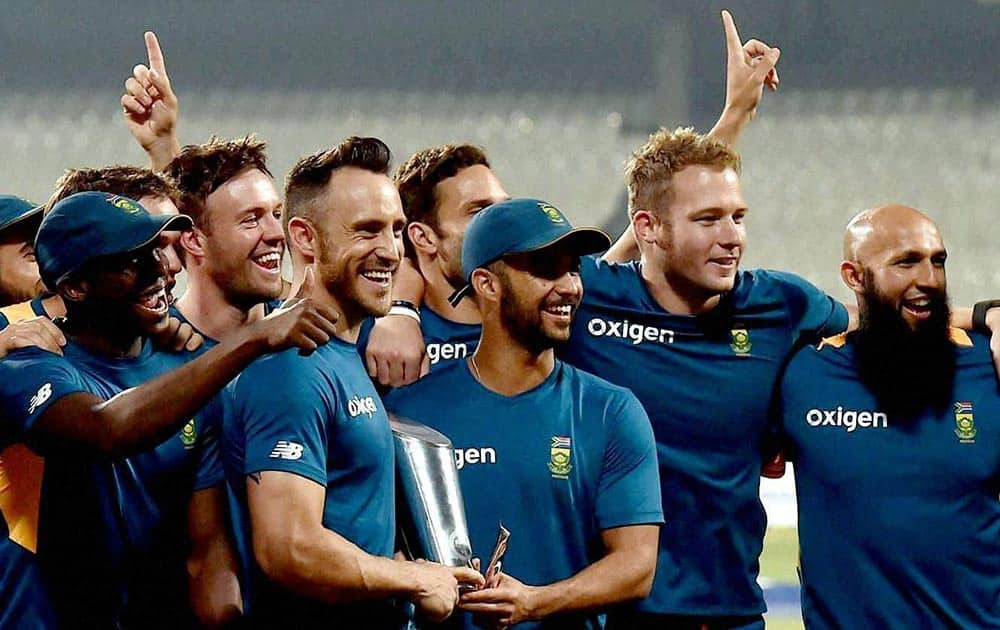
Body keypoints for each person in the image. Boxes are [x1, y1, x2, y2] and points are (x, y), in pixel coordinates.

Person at [360, 9, 779, 390]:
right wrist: (398, 311)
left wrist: (736, 115)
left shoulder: (554, 311)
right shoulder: (377, 336)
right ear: (422, 237)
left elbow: (658, 221)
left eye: (501, 204)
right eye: (478, 211)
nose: (501, 220)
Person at [0, 191, 340, 628]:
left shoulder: (188, 373)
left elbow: (206, 555)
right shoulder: (29, 361)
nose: (159, 271)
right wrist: (254, 338)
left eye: (156, 251)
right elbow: (107, 429)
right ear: (75, 287)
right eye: (129, 261)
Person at [219, 136, 483, 629]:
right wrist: (414, 580)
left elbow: (348, 528)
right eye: (366, 231)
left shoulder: (341, 353)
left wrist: (407, 569)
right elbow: (288, 547)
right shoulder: (291, 368)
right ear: (304, 238)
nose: (389, 251)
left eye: (396, 230)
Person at [385, 198, 663, 629]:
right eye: (546, 269)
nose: (570, 286)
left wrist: (536, 602)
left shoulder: (611, 411)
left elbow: (637, 565)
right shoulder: (407, 414)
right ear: (487, 284)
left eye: (572, 268)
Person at [774, 204, 1000, 628]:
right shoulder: (802, 373)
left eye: (938, 261)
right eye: (906, 262)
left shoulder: (988, 364)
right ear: (854, 276)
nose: (930, 280)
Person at [120, 32, 288, 344]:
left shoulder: (313, 336)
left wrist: (400, 314)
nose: (277, 233)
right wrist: (162, 146)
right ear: (194, 240)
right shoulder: (152, 354)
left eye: (276, 214)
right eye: (251, 219)